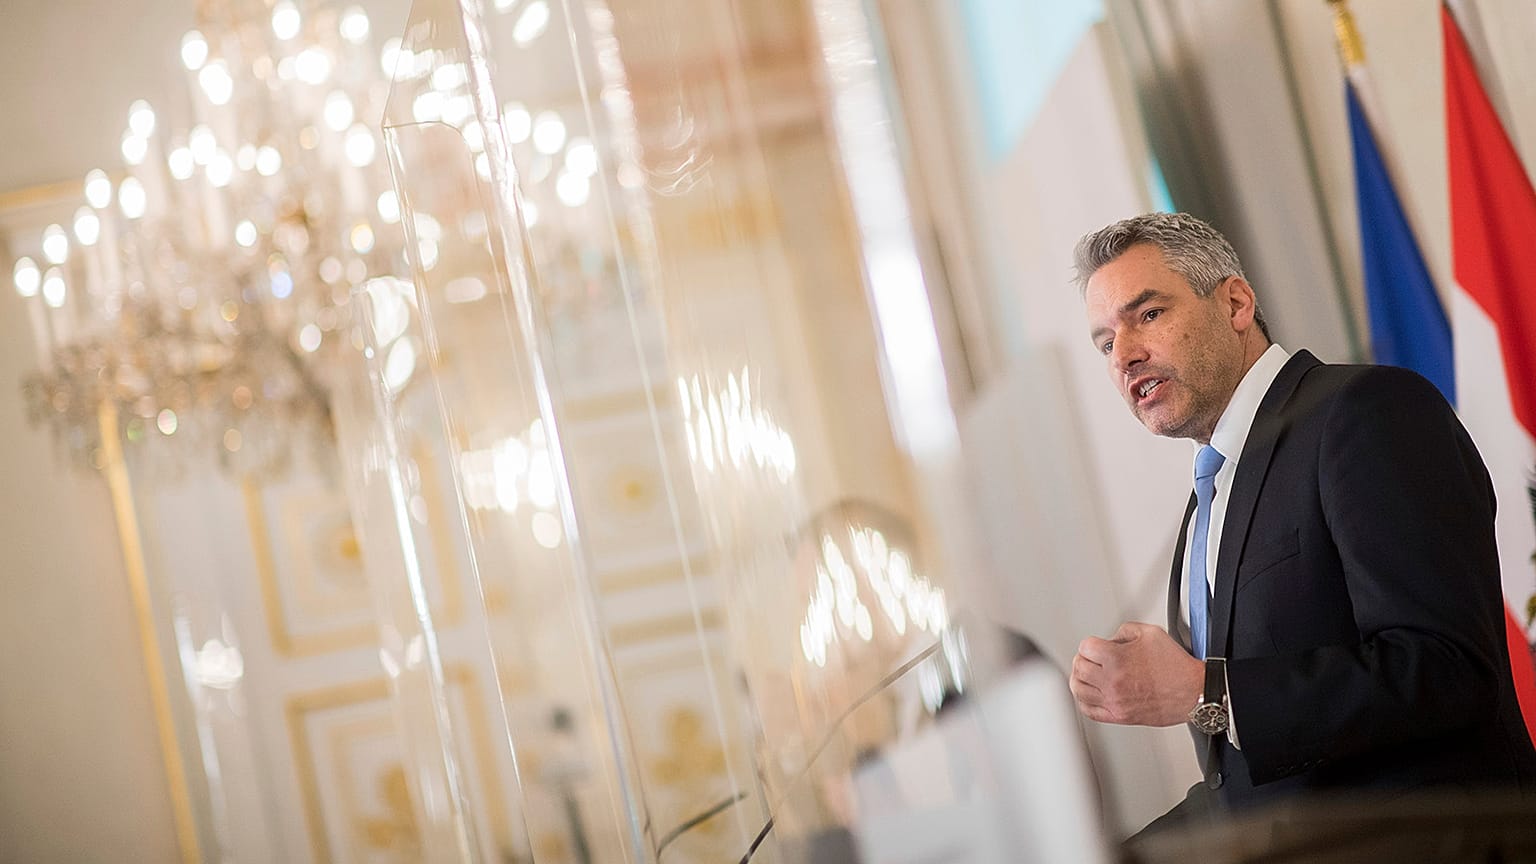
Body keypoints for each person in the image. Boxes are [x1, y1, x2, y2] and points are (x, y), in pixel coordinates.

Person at [1066, 212, 1536, 825]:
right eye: (1105, 342)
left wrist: (1200, 691)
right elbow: (1247, 784)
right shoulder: (1205, 504)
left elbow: (1446, 672)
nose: (1124, 356)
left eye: (1148, 315)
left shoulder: (1365, 414)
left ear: (1235, 303)